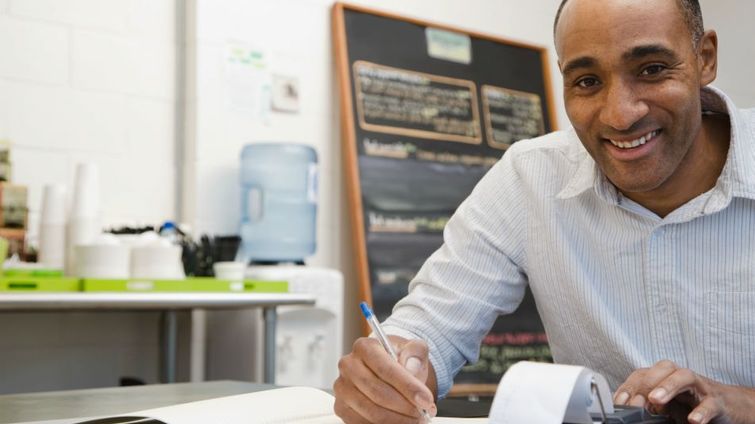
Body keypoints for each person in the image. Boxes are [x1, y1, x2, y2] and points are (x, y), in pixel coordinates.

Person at [334, 0, 755, 423]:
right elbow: (432, 325)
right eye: (588, 81)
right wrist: (390, 375)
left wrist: (744, 404)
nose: (621, 114)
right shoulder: (530, 176)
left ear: (705, 58)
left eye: (652, 69)